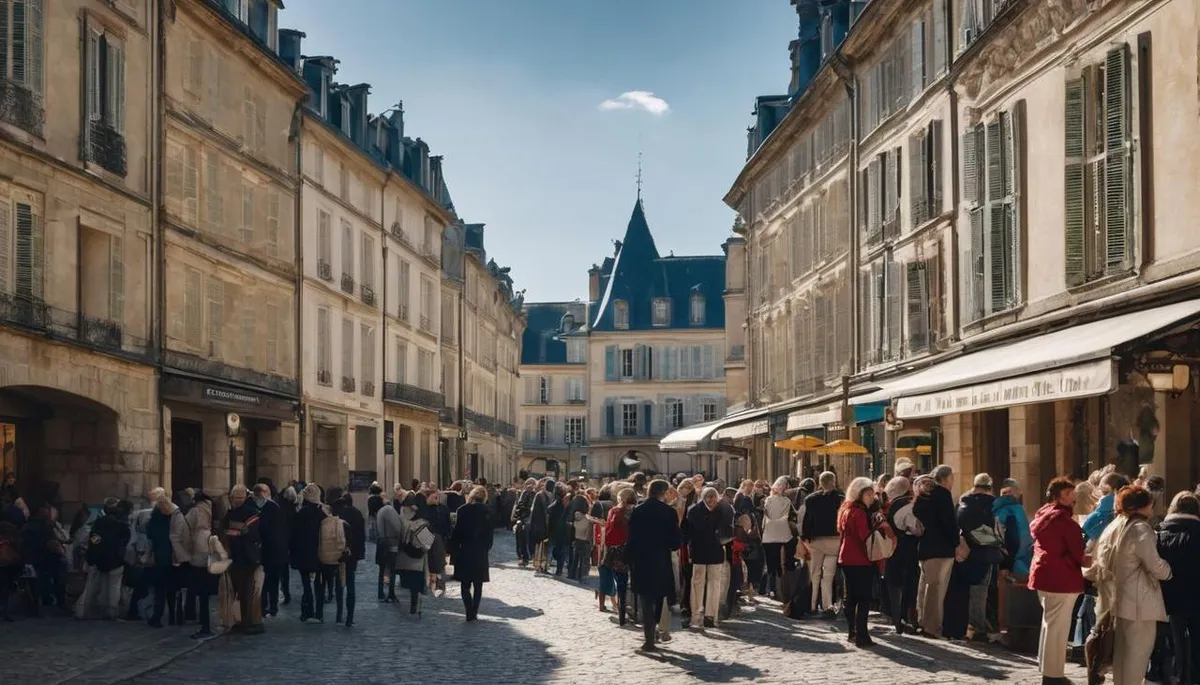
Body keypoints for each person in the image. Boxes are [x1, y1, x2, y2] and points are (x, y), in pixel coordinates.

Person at [1086, 485, 1171, 685]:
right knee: (1137, 658)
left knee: (1122, 658)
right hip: (1139, 603)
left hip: (1117, 600)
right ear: (1143, 505)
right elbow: (1155, 564)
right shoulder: (1140, 528)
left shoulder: (1114, 525)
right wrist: (1169, 570)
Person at [1029, 477, 1088, 685]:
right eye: (1069, 494)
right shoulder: (1064, 522)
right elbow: (1078, 552)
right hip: (1061, 577)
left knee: (1049, 624)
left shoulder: (1044, 515)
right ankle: (1053, 675)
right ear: (1060, 496)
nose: (1074, 497)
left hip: (1044, 574)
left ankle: (1048, 669)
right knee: (1058, 628)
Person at [626, 479, 681, 653]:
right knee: (658, 598)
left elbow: (631, 538)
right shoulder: (669, 513)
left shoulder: (638, 511)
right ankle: (653, 632)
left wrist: (628, 558)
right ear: (663, 493)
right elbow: (675, 543)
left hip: (642, 561)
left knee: (646, 600)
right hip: (660, 561)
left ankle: (649, 638)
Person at [1156, 491, 1200, 685]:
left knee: (1174, 640)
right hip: (1196, 596)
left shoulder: (1159, 533)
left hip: (1167, 597)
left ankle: (1174, 676)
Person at [913, 464, 958, 638]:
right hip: (941, 549)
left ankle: (923, 622)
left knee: (925, 587)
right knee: (936, 590)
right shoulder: (943, 494)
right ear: (946, 478)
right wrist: (956, 542)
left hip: (925, 547)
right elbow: (950, 522)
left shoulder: (923, 494)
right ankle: (932, 627)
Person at [839, 477, 881, 648]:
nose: (872, 497)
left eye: (873, 494)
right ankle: (862, 635)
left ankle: (852, 632)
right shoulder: (860, 513)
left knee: (851, 597)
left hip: (846, 557)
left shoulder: (845, 510)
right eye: (869, 494)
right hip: (860, 559)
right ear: (859, 495)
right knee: (863, 598)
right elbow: (865, 536)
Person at [957, 473, 1000, 641]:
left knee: (967, 590)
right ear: (989, 488)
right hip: (985, 552)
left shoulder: (962, 503)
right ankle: (977, 627)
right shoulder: (991, 505)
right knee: (980, 591)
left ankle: (967, 624)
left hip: (965, 551)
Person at [76, 498, 130, 621]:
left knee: (93, 586)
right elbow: (124, 543)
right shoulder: (122, 526)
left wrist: (95, 552)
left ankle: (88, 611)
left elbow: (94, 539)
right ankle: (111, 612)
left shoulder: (98, 523)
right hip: (115, 560)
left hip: (98, 558)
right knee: (114, 587)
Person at [801, 471, 843, 617]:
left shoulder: (811, 499)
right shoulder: (840, 499)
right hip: (834, 540)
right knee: (828, 575)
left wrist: (805, 537)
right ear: (834, 481)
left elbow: (807, 520)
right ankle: (827, 605)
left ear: (820, 482)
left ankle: (812, 605)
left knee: (815, 573)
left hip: (816, 540)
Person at [223, 484, 264, 635]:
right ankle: (246, 620)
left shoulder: (239, 513)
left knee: (243, 591)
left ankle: (245, 620)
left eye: (237, 497)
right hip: (246, 556)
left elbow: (231, 532)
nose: (236, 500)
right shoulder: (249, 512)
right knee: (246, 591)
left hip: (241, 556)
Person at [685, 487, 728, 629]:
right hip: (699, 551)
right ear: (703, 497)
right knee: (697, 584)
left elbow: (726, 528)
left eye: (714, 496)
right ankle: (696, 616)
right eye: (708, 497)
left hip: (715, 552)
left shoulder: (722, 510)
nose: (712, 499)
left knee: (715, 584)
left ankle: (711, 615)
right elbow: (693, 530)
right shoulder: (694, 510)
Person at [450, 486, 493, 622]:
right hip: (480, 552)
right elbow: (489, 536)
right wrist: (485, 549)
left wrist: (454, 550)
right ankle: (474, 611)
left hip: (465, 550)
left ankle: (469, 610)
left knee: (465, 584)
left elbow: (456, 534)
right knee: (478, 584)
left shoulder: (462, 510)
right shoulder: (487, 511)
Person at [147, 494, 189, 627]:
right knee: (174, 589)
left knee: (159, 590)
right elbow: (182, 535)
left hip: (160, 557)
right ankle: (175, 616)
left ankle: (157, 617)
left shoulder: (155, 518)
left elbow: (150, 534)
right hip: (172, 556)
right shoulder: (176, 516)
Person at [884, 476, 919, 634]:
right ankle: (903, 618)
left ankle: (896, 617)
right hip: (907, 548)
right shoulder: (908, 506)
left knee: (894, 585)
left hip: (893, 548)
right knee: (907, 584)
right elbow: (915, 529)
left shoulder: (891, 505)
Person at [184, 492, 216, 639]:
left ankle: (194, 616)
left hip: (198, 546)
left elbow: (185, 528)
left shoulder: (195, 511)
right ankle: (204, 621)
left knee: (196, 585)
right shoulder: (212, 509)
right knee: (205, 587)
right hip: (211, 546)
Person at [253, 483, 288, 618]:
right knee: (270, 581)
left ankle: (268, 606)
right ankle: (270, 607)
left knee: (268, 581)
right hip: (274, 551)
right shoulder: (274, 507)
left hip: (269, 550)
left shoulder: (270, 508)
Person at [331, 492, 365, 627]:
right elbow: (362, 536)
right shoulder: (357, 513)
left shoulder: (338, 515)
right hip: (353, 553)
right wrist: (360, 553)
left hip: (339, 552)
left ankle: (339, 614)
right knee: (351, 583)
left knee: (339, 583)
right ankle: (350, 617)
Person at [760, 476, 794, 600]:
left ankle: (771, 588)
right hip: (782, 534)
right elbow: (787, 516)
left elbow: (765, 517)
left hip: (769, 534)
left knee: (770, 564)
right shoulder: (786, 501)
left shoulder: (768, 500)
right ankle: (780, 588)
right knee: (781, 563)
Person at [375, 486, 404, 602]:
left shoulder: (380, 512)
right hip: (391, 544)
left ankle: (380, 592)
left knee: (382, 569)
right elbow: (398, 528)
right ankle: (391, 593)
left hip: (382, 543)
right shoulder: (388, 510)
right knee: (392, 569)